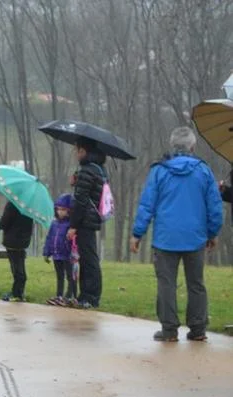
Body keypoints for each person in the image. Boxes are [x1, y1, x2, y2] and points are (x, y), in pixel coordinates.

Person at [130, 126, 222, 342]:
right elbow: (215, 206)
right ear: (193, 146)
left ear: (172, 145)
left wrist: (137, 234)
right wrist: (212, 232)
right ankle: (198, 329)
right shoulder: (204, 171)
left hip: (165, 239)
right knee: (196, 284)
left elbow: (147, 205)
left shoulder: (159, 171)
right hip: (195, 237)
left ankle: (169, 330)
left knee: (166, 284)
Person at [68, 140, 108, 308]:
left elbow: (81, 201)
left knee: (89, 259)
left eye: (77, 151)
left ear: (83, 151)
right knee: (86, 257)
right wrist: (77, 182)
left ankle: (90, 296)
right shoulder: (98, 169)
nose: (76, 154)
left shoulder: (87, 170)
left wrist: (73, 225)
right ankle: (85, 295)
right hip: (92, 218)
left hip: (85, 220)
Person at [42, 194, 75, 305]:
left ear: (69, 211)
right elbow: (49, 238)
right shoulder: (54, 224)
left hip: (67, 255)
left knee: (70, 276)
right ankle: (59, 295)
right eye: (58, 209)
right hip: (56, 255)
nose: (60, 212)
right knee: (59, 276)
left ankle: (69, 296)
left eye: (63, 210)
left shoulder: (70, 225)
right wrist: (47, 253)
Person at [0, 199, 33, 302]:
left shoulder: (13, 203)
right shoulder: (30, 205)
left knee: (16, 268)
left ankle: (17, 293)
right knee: (20, 265)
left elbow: (4, 222)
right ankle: (19, 291)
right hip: (24, 240)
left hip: (12, 240)